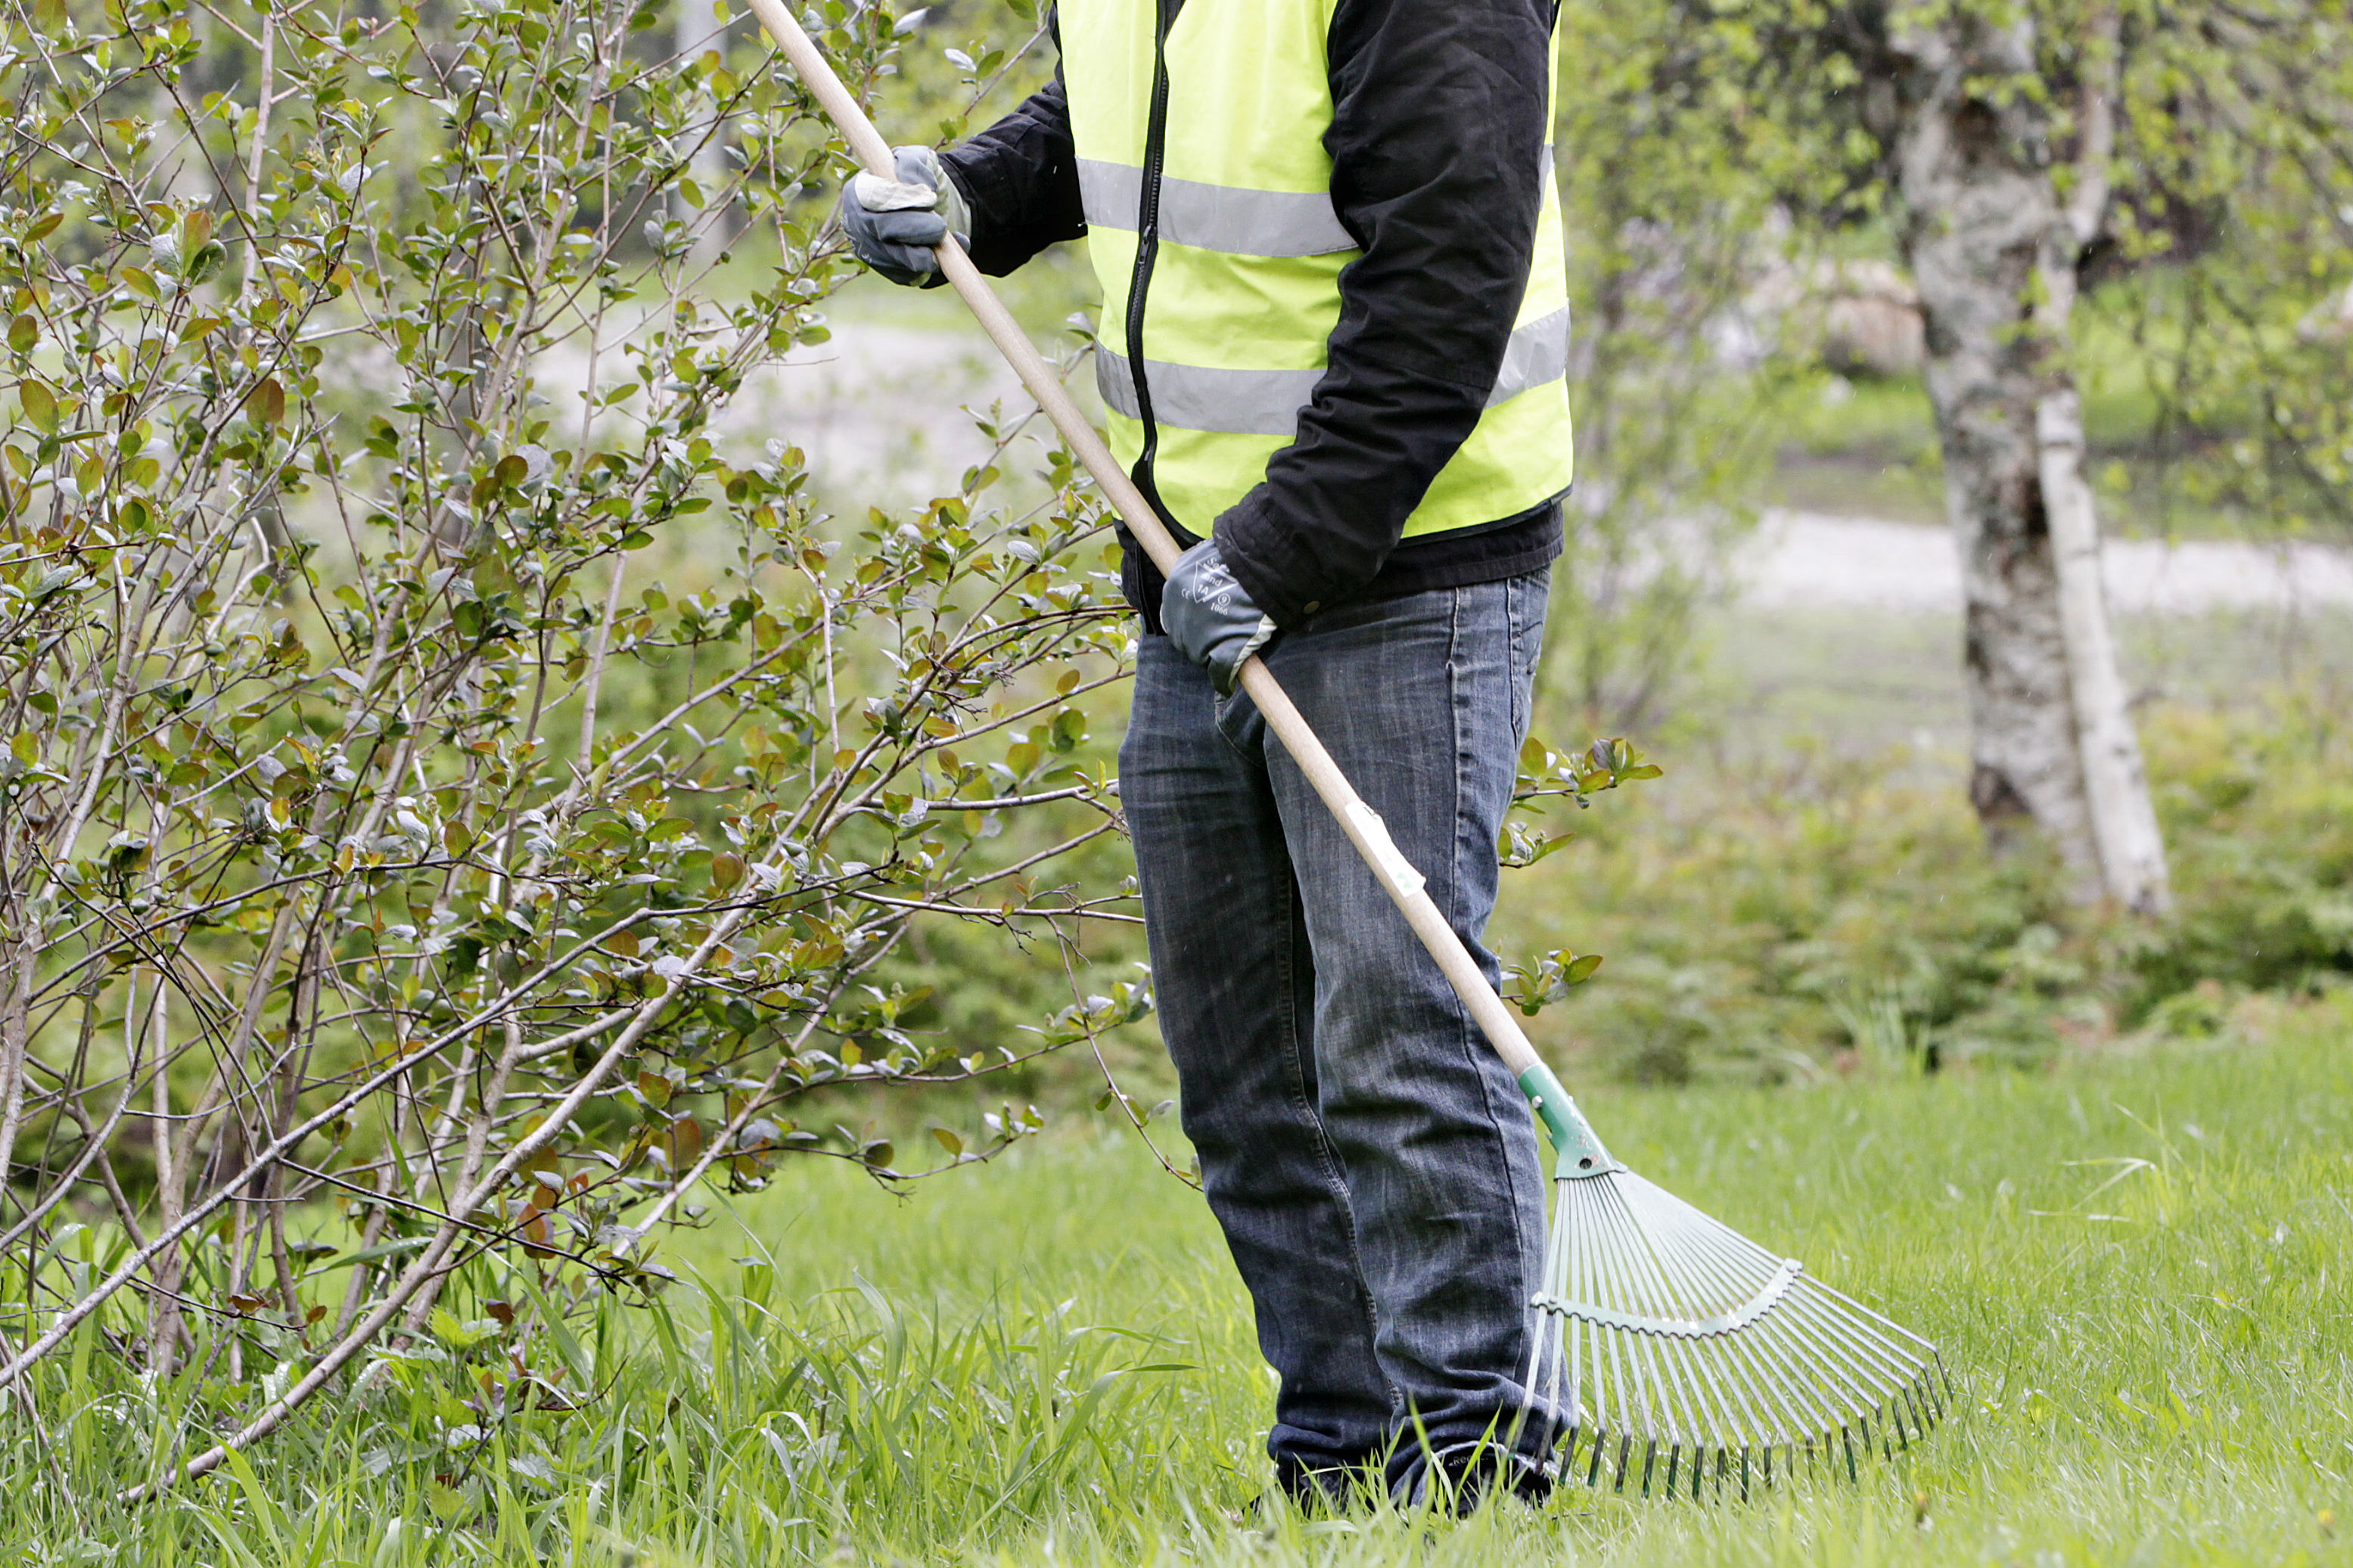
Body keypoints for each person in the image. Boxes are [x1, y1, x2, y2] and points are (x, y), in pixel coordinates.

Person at [837, 0, 1574, 1512]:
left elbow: (1446, 281)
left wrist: (1284, 550)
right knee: (1243, 1072)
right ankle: (1340, 1466)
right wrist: (970, 190)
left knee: (1397, 1035)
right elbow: (1121, 124)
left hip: (1403, 564)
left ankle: (1472, 1472)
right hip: (1194, 572)